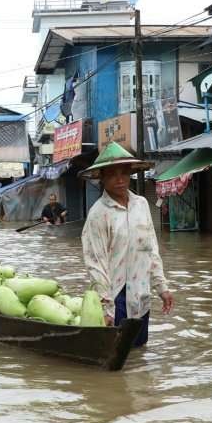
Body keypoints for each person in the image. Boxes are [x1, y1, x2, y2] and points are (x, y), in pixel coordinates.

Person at [79, 142, 175, 347]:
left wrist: (162, 287)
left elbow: (151, 250)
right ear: (102, 177)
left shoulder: (141, 205)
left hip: (141, 293)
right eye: (112, 174)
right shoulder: (98, 214)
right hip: (115, 297)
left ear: (131, 173)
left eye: (124, 172)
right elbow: (96, 263)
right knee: (118, 356)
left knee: (139, 353)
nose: (120, 179)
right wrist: (105, 307)